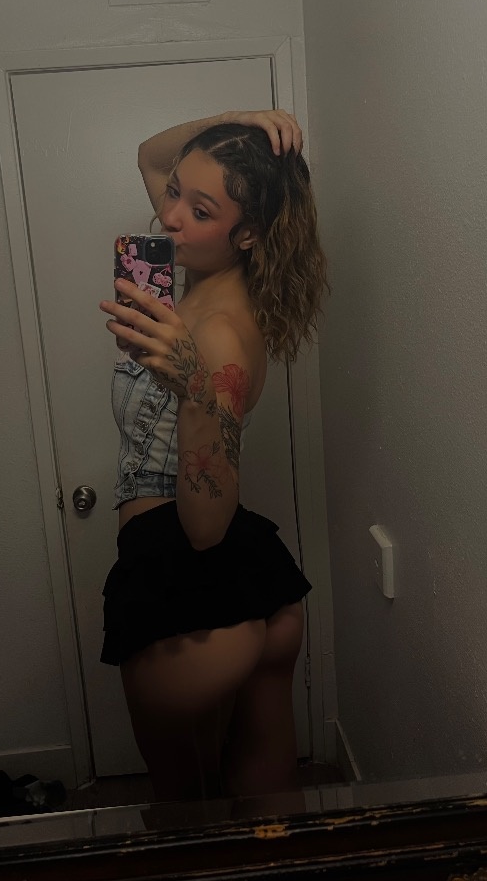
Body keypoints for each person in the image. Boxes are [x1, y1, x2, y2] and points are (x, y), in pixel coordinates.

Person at [99, 109, 328, 805]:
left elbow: (204, 528)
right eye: (176, 194)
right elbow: (151, 151)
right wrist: (246, 122)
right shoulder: (201, 274)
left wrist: (193, 384)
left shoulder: (220, 331)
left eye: (200, 210)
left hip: (180, 565)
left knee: (183, 813)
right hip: (258, 585)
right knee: (267, 801)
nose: (169, 216)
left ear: (248, 232)